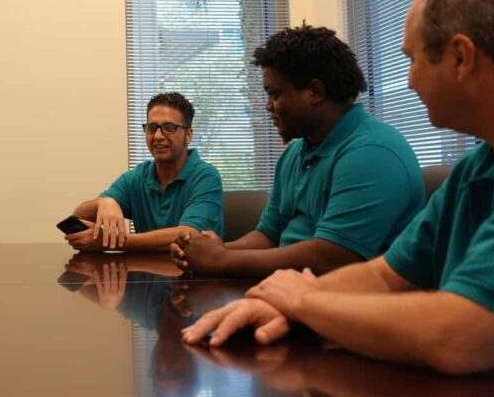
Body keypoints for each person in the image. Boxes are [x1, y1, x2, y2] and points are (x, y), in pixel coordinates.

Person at [183, 0, 494, 375]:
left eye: (413, 59)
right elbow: (388, 276)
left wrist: (304, 301)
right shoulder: (478, 166)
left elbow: (463, 340)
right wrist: (269, 301)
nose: (408, 80)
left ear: (461, 58)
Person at [172, 25, 423, 277]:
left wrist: (222, 260)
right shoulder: (295, 153)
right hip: (298, 289)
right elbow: (269, 235)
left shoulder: (372, 153)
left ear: (315, 92)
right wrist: (211, 251)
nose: (269, 106)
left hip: (358, 301)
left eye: (275, 94)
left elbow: (333, 256)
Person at [65, 92, 223, 252]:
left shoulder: (206, 176)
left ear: (188, 135)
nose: (158, 136)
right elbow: (79, 217)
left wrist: (113, 241)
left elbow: (189, 235)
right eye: (152, 128)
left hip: (194, 275)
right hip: (144, 273)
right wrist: (103, 203)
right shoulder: (137, 177)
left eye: (169, 128)